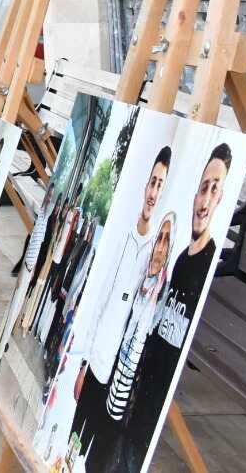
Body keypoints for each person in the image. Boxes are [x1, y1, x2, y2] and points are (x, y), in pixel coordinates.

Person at [117, 143, 235, 471]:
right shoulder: (181, 260)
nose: (205, 199)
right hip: (139, 394)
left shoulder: (209, 260)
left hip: (155, 400)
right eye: (202, 189)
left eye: (215, 190)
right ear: (194, 196)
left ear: (220, 199)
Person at [69, 146, 172, 465]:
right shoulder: (124, 237)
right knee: (72, 444)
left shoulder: (158, 257)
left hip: (119, 385)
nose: (154, 191)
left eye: (161, 185)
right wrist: (83, 364)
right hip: (97, 363)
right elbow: (100, 300)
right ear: (145, 186)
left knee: (94, 459)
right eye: (153, 182)